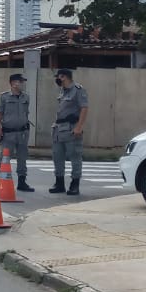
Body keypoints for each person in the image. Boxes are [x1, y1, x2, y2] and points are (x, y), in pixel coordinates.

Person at [51, 68, 88, 196]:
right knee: (57, 156)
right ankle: (59, 183)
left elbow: (84, 108)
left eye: (59, 77)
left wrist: (79, 126)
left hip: (71, 128)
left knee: (75, 156)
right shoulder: (62, 90)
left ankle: (74, 184)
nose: (57, 79)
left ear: (64, 77)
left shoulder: (78, 90)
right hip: (59, 128)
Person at [0, 74, 34, 192]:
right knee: (4, 158)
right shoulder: (4, 97)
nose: (22, 84)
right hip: (8, 133)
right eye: (20, 82)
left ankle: (22, 182)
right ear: (13, 83)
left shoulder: (26, 97)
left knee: (22, 157)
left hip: (22, 132)